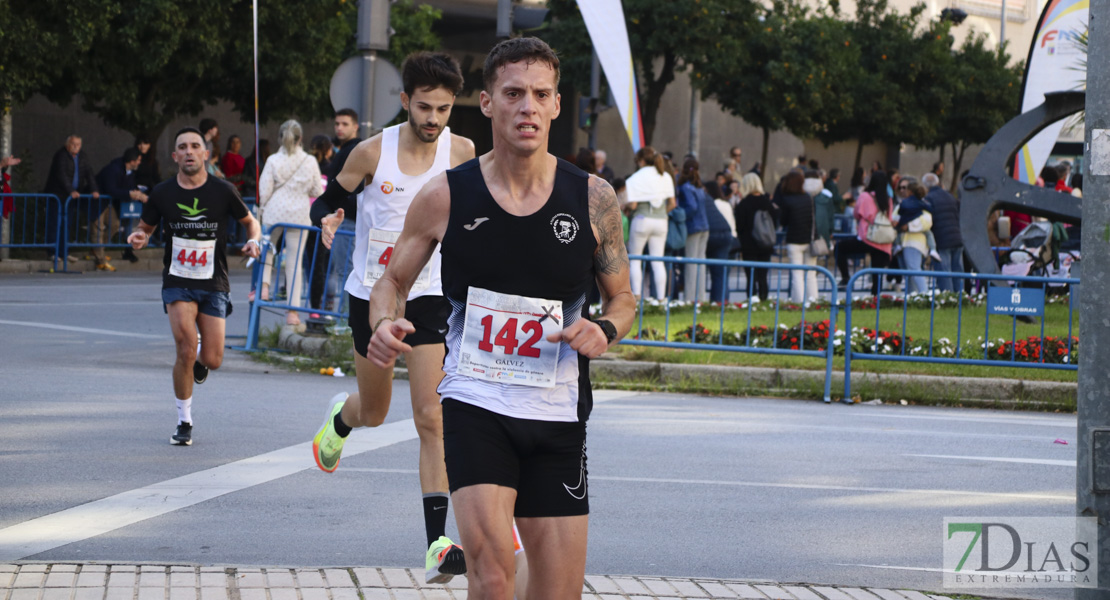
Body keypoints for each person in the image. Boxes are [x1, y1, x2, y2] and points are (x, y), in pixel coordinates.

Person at [360, 37, 633, 599]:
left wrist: (604, 329)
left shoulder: (592, 198)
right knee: (490, 572)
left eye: (540, 94)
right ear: (487, 103)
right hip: (476, 404)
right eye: (513, 93)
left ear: (558, 104)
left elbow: (624, 300)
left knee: (559, 592)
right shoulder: (446, 196)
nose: (527, 107)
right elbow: (391, 282)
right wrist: (384, 322)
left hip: (557, 416)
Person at [311, 53, 477, 584]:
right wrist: (329, 216)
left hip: (429, 295)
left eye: (444, 109)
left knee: (432, 417)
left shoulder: (463, 151)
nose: (434, 118)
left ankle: (437, 544)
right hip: (373, 300)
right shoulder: (370, 151)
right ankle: (342, 419)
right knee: (376, 412)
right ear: (405, 101)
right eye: (425, 107)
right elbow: (328, 199)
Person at [126, 127, 261, 446]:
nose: (188, 151)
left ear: (205, 154)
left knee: (212, 359)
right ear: (175, 157)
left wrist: (253, 240)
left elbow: (249, 221)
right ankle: (184, 420)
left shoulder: (223, 190)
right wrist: (139, 237)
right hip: (178, 279)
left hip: (213, 281)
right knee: (185, 347)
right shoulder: (162, 193)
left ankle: (201, 364)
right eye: (182, 147)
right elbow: (145, 228)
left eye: (195, 146)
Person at [258, 120, 323, 327]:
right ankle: (292, 312)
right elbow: (316, 191)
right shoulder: (310, 161)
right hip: (299, 214)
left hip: (274, 212)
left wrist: (263, 206)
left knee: (267, 249)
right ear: (300, 139)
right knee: (295, 263)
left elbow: (264, 191)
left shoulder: (273, 160)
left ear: (279, 137)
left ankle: (264, 286)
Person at [624, 146, 675, 301]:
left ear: (641, 161)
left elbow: (632, 205)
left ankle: (637, 296)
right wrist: (661, 214)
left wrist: (625, 209)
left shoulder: (634, 178)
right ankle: (661, 299)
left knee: (635, 259)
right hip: (661, 221)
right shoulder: (665, 176)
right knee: (658, 260)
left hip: (641, 220)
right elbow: (672, 203)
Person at [836, 171, 894, 296]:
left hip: (867, 237)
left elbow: (856, 213)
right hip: (883, 241)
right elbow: (890, 217)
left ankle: (845, 277)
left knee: (840, 248)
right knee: (877, 273)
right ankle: (875, 300)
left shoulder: (865, 196)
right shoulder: (888, 199)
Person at [43, 135, 99, 263]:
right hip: (57, 195)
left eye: (78, 144)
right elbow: (61, 175)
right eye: (73, 144)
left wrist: (94, 189)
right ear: (67, 145)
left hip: (70, 198)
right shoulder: (61, 155)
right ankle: (53, 252)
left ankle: (64, 252)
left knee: (66, 225)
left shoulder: (82, 157)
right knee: (54, 224)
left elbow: (89, 173)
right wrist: (71, 191)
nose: (76, 146)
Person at [95, 147, 149, 270]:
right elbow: (111, 189)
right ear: (132, 160)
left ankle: (97, 249)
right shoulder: (114, 169)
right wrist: (129, 194)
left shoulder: (129, 172)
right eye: (138, 160)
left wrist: (137, 193)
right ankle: (100, 258)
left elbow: (129, 186)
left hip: (108, 203)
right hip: (97, 201)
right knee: (97, 229)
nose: (140, 162)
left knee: (114, 225)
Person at [734, 173, 777, 302]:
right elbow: (774, 220)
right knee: (763, 276)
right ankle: (764, 300)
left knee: (751, 277)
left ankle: (752, 301)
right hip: (766, 244)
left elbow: (739, 226)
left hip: (748, 245)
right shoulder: (767, 202)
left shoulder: (743, 204)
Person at [778, 171, 818, 303]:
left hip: (794, 240)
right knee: (811, 274)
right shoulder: (808, 198)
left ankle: (798, 302)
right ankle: (814, 301)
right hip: (809, 239)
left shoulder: (786, 199)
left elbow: (783, 221)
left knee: (797, 274)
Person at [677, 158, 711, 303]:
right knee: (700, 263)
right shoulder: (699, 187)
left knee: (691, 263)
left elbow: (691, 207)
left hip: (693, 227)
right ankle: (701, 297)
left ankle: (689, 298)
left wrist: (681, 215)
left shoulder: (685, 187)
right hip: (704, 227)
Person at [923, 172, 963, 292]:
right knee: (958, 271)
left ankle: (948, 299)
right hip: (957, 237)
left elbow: (929, 221)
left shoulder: (928, 199)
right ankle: (961, 298)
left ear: (926, 186)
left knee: (944, 272)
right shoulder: (950, 196)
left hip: (941, 240)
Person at [892, 176, 932, 294]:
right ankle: (911, 298)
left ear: (910, 190)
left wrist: (907, 226)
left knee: (914, 270)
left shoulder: (920, 204)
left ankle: (925, 296)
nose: (902, 190)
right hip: (903, 243)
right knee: (909, 273)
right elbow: (894, 217)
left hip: (914, 242)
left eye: (905, 188)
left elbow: (927, 221)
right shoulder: (904, 204)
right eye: (900, 187)